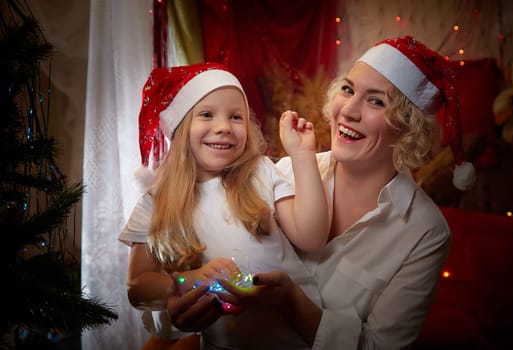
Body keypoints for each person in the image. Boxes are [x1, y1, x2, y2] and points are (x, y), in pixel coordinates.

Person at [165, 36, 477, 349]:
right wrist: (176, 313)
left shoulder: (425, 231)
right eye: (348, 89)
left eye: (377, 101)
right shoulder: (283, 173)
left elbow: (378, 346)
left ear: (409, 127)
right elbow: (189, 263)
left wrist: (290, 300)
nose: (349, 111)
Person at [118, 62, 330, 349]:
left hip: (298, 339)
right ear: (181, 130)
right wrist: (191, 279)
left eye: (236, 117)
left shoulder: (261, 172)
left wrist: (303, 156)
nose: (223, 127)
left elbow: (312, 236)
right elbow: (137, 287)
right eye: (206, 114)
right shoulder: (156, 203)